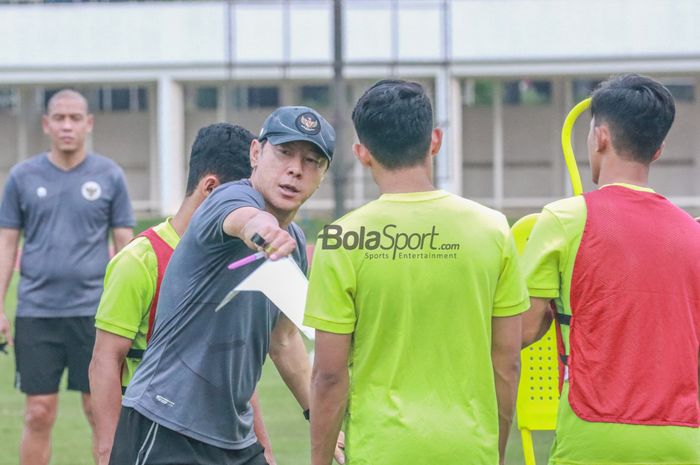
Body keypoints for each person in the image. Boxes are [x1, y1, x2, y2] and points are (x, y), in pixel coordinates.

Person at [304, 80, 529, 465]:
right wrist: (494, 449)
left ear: (362, 153)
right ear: (435, 141)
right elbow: (506, 360)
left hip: (381, 450)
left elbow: (329, 375)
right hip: (469, 447)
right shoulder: (492, 229)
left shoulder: (341, 239)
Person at [109, 106, 344, 465]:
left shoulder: (293, 243)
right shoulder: (229, 198)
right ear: (255, 153)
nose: (296, 169)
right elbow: (245, 218)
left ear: (323, 174)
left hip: (233, 437)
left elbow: (282, 340)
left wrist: (322, 418)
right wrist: (263, 231)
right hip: (166, 425)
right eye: (283, 153)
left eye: (312, 161)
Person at [521, 74, 700, 464]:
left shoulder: (563, 220)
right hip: (683, 439)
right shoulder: (695, 233)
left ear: (600, 137)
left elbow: (522, 329)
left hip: (593, 435)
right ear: (657, 150)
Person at [89, 123, 276, 465]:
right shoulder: (140, 259)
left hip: (226, 433)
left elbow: (237, 367)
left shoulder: (238, 261)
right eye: (245, 196)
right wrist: (108, 450)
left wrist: (264, 447)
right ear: (211, 188)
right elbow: (105, 360)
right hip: (156, 428)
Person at [0, 89, 135, 465]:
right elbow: (6, 245)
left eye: (75, 118)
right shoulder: (22, 177)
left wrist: (142, 306)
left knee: (101, 412)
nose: (67, 125)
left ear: (88, 124)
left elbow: (127, 247)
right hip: (37, 313)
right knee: (38, 412)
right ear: (46, 124)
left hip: (95, 316)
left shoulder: (110, 175)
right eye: (59, 118)